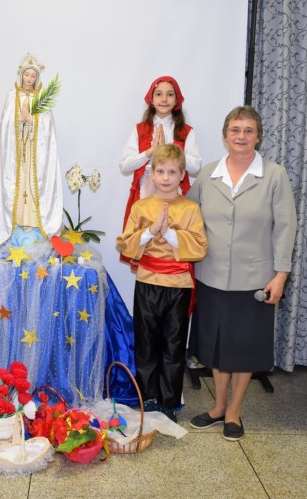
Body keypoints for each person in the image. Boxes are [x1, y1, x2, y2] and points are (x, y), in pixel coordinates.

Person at [186, 105, 297, 441]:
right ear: (225, 135)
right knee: (218, 349)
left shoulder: (274, 175)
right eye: (235, 130)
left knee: (244, 348)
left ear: (258, 136)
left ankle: (234, 411)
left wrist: (281, 275)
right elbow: (188, 216)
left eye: (249, 131)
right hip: (212, 278)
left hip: (255, 281)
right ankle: (217, 408)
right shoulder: (207, 174)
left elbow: (286, 227)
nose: (241, 137)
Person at [116, 144, 207, 422]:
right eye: (160, 171)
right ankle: (149, 398)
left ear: (182, 175)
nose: (166, 177)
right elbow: (125, 243)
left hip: (178, 286)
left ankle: (169, 402)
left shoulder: (190, 209)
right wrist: (151, 231)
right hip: (147, 283)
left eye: (172, 172)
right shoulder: (141, 207)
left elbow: (200, 246)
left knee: (174, 344)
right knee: (146, 343)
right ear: (152, 174)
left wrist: (169, 234)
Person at [119, 76, 202, 267]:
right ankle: (147, 277)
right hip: (146, 190)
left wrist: (170, 149)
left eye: (169, 94)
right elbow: (125, 165)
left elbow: (195, 166)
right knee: (145, 239)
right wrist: (149, 153)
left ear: (176, 100)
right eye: (159, 94)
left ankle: (172, 276)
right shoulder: (140, 129)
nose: (164, 99)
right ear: (151, 99)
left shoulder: (186, 131)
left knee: (172, 237)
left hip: (176, 191)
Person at [0, 53, 63, 249]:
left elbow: (47, 130)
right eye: (27, 75)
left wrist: (32, 120)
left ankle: (35, 222)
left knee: (33, 183)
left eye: (33, 76)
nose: (29, 79)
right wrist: (20, 121)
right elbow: (6, 128)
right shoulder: (12, 97)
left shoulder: (41, 100)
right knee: (18, 184)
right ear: (21, 75)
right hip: (17, 154)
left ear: (37, 78)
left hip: (35, 155)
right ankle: (16, 221)